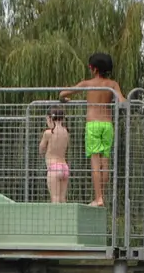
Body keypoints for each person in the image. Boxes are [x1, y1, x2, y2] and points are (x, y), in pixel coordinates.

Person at [58, 52, 124, 207]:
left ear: (94, 69)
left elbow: (62, 93)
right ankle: (102, 194)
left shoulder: (87, 84)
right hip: (107, 125)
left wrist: (64, 99)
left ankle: (98, 198)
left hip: (93, 124)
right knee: (105, 162)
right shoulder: (112, 84)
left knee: (95, 162)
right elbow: (122, 100)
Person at [38, 106, 71, 204]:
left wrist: (43, 151)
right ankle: (66, 219)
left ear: (50, 118)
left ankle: (55, 219)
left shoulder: (48, 133)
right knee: (62, 199)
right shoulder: (66, 132)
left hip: (54, 168)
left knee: (55, 198)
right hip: (64, 167)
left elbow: (41, 147)